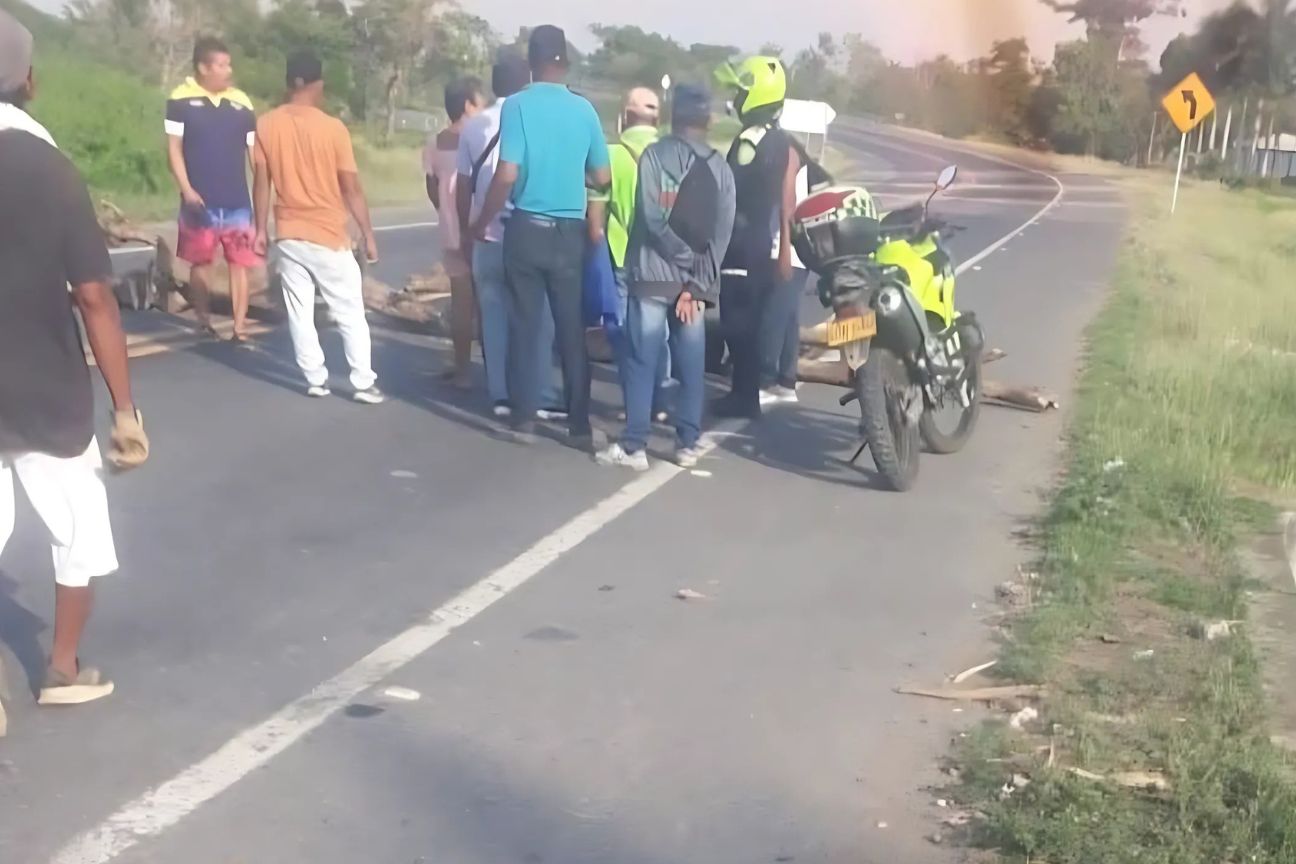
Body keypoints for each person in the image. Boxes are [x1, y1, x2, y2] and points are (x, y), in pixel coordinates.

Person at [0, 9, 150, 718]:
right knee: (79, 527)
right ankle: (61, 669)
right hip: (45, 388)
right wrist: (124, 409)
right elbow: (94, 296)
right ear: (29, 81)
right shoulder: (51, 168)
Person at [472, 25, 611, 447]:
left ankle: (524, 419)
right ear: (564, 62)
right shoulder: (585, 110)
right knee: (570, 329)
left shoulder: (517, 105)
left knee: (526, 324)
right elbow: (602, 176)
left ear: (531, 63)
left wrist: (483, 220)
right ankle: (579, 424)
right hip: (569, 231)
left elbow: (507, 173)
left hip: (526, 227)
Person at [596, 84, 736, 471]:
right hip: (694, 288)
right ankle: (687, 442)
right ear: (708, 121)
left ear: (673, 117)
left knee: (642, 360)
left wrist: (681, 260)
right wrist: (696, 281)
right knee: (691, 365)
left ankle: (635, 445)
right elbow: (722, 234)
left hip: (651, 277)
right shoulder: (721, 168)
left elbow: (652, 218)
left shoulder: (654, 156)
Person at [252, 51, 384, 404]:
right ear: (314, 84)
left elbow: (262, 182)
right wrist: (368, 233)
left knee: (300, 311)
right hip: (327, 233)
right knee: (350, 311)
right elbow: (350, 187)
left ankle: (314, 378)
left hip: (288, 231)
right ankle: (362, 381)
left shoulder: (266, 125)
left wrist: (260, 229)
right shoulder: (333, 128)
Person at [456, 50, 564, 420]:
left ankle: (499, 394)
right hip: (531, 234)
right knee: (539, 319)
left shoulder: (474, 126)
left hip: (486, 236)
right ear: (527, 82)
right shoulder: (538, 120)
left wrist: (467, 231)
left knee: (493, 316)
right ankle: (540, 393)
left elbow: (463, 186)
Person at [713, 56, 801, 419]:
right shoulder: (780, 140)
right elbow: (784, 197)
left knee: (737, 323)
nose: (736, 98)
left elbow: (728, 190)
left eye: (741, 91)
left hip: (741, 241)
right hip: (761, 240)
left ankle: (743, 396)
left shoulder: (749, 141)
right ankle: (745, 393)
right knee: (748, 322)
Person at [165, 36, 260, 341]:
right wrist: (186, 189)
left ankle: (239, 327)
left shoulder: (241, 103)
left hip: (237, 201)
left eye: (228, 64)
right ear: (203, 68)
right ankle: (203, 321)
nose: (228, 70)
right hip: (199, 201)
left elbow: (254, 155)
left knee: (240, 264)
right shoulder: (180, 99)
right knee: (201, 262)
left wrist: (262, 190)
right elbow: (174, 149)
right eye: (221, 65)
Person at [587, 87, 670, 422]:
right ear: (657, 120)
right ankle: (660, 400)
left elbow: (596, 215)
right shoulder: (672, 155)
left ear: (624, 117)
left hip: (622, 255)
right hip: (663, 259)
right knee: (659, 332)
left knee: (624, 331)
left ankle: (634, 401)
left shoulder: (610, 155)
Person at [426, 76, 485, 389]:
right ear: (467, 105)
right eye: (480, 101)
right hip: (482, 228)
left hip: (451, 232)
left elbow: (431, 187)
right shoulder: (481, 137)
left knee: (461, 304)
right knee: (490, 303)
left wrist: (446, 213)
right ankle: (497, 372)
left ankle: (463, 370)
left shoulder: (435, 142)